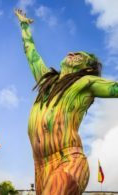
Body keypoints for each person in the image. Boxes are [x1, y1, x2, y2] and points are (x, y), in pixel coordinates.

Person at [15, 9, 118, 195]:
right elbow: (31, 54)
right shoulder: (47, 81)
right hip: (40, 167)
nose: (72, 52)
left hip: (68, 160)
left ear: (88, 69)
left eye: (80, 55)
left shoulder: (86, 82)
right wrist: (24, 26)